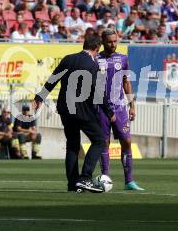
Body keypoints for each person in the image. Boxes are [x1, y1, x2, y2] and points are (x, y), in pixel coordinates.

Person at [33, 34, 115, 193]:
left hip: (65, 110)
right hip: (82, 111)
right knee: (99, 140)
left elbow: (53, 79)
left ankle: (72, 184)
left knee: (72, 146)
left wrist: (39, 97)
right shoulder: (93, 66)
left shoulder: (68, 59)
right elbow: (99, 94)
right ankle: (85, 178)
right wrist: (110, 112)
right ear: (97, 49)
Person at [98, 29, 144, 191]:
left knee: (127, 141)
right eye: (110, 41)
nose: (113, 44)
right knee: (104, 143)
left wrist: (132, 105)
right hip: (100, 108)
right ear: (103, 41)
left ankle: (129, 181)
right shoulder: (96, 59)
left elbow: (127, 83)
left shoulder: (123, 59)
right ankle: (105, 177)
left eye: (115, 41)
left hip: (119, 107)